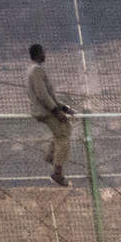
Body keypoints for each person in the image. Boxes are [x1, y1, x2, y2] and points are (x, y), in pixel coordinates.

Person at [27, 43, 74, 187]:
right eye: (43, 52)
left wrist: (64, 108)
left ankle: (52, 158)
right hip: (44, 111)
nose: (45, 54)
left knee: (65, 129)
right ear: (38, 54)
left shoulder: (35, 70)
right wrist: (56, 111)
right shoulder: (36, 71)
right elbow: (42, 94)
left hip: (46, 109)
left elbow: (49, 95)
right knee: (63, 136)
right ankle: (57, 173)